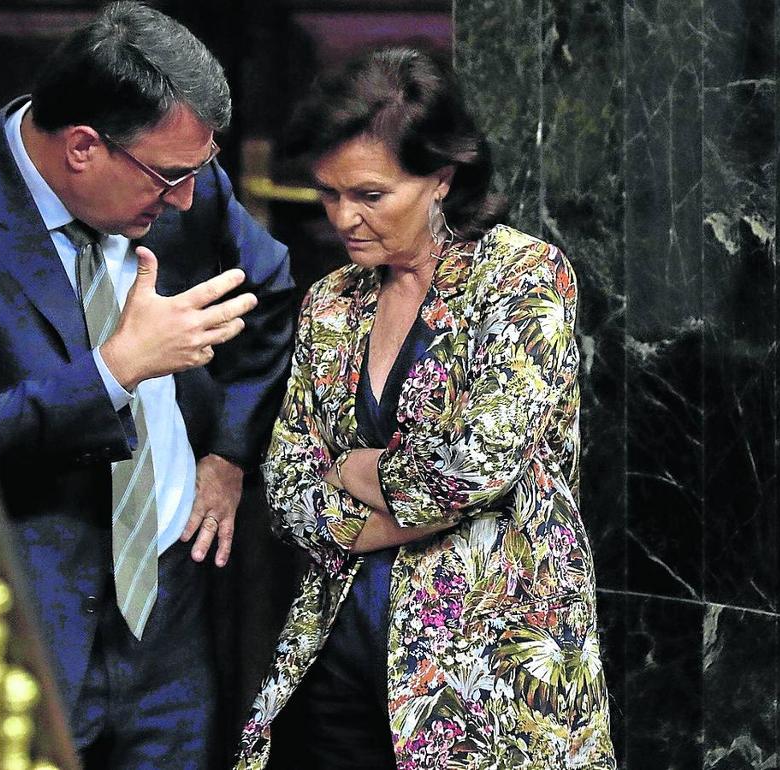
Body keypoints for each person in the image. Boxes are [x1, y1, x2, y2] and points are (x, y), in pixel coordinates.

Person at [235, 47, 616, 769]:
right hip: (337, 666)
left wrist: (349, 468)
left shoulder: (522, 278)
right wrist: (384, 509)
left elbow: (472, 471)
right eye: (328, 193)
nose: (343, 217)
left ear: (441, 178)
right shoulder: (332, 301)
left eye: (370, 195)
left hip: (489, 686)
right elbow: (286, 489)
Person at [0, 3, 296, 768]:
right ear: (82, 149)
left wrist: (229, 457)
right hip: (28, 619)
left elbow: (268, 293)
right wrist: (116, 370)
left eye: (197, 174)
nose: (186, 202)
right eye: (172, 179)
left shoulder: (171, 173)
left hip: (168, 601)